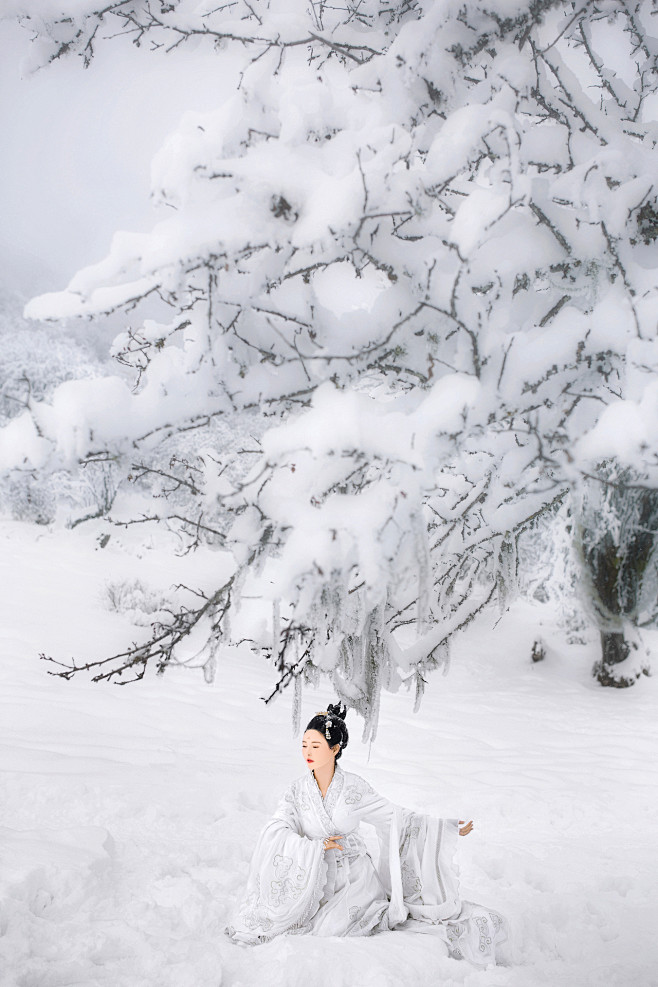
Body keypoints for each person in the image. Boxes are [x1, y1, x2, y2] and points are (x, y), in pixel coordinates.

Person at [226, 703, 508, 966]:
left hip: (353, 879)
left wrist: (442, 826)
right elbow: (276, 829)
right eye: (304, 745)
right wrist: (313, 847)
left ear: (335, 749)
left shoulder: (353, 788)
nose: (308, 752)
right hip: (314, 876)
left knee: (328, 931)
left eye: (316, 745)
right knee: (293, 927)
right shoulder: (297, 791)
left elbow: (394, 817)